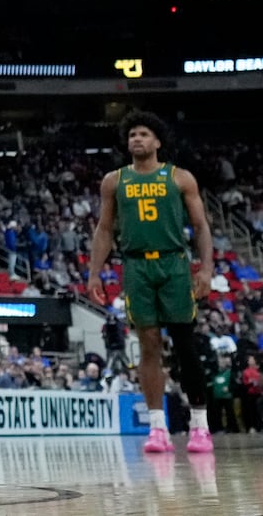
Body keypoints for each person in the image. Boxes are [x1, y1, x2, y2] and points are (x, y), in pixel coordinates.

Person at [88, 110, 215, 455]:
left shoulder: (179, 177)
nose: (137, 139)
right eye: (132, 135)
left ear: (158, 142)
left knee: (185, 345)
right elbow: (104, 229)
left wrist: (205, 269)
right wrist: (94, 272)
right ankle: (157, 427)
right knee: (148, 345)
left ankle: (199, 426)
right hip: (136, 266)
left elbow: (201, 227)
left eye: (143, 134)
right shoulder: (114, 181)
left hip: (174, 263)